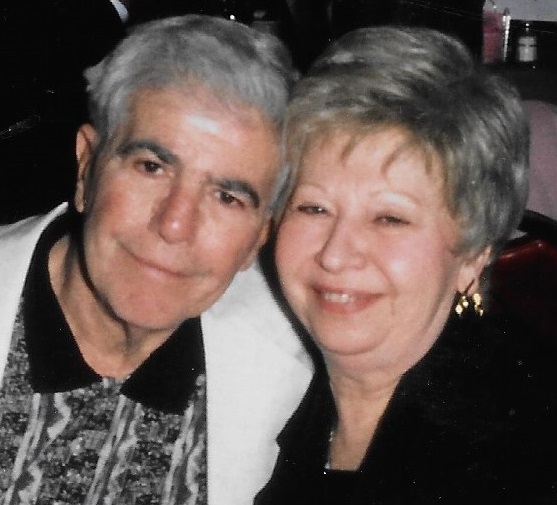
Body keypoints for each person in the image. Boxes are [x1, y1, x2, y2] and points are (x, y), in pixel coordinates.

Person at [0, 15, 312, 505]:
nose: (175, 224)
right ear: (87, 167)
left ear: (260, 236)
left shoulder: (295, 379)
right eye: (152, 167)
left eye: (227, 197)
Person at [255, 26, 557, 504]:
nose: (335, 254)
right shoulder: (293, 387)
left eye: (389, 218)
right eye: (313, 208)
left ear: (473, 253)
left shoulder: (518, 445)